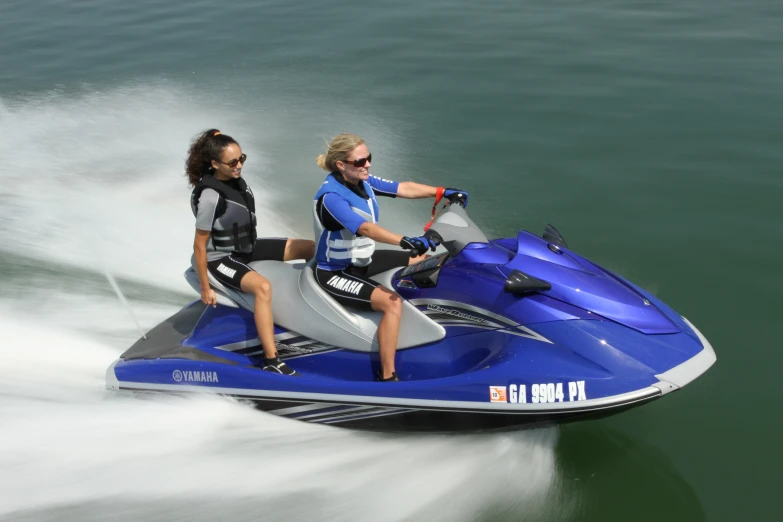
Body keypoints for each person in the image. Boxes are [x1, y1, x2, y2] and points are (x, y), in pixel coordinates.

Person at [313, 133, 468, 381]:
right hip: (335, 272)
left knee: (424, 262)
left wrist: (443, 192)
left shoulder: (363, 182)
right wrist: (404, 240)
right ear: (341, 165)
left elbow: (402, 188)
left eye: (368, 158)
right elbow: (365, 228)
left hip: (363, 260)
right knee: (392, 304)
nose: (367, 165)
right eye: (360, 161)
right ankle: (387, 376)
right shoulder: (331, 197)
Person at [186, 129, 314, 376]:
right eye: (232, 162)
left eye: (242, 159)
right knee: (263, 288)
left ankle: (311, 305)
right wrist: (205, 287)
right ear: (215, 164)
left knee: (309, 247)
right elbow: (199, 246)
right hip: (220, 257)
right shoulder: (210, 196)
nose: (239, 166)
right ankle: (271, 360)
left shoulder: (235, 182)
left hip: (247, 248)